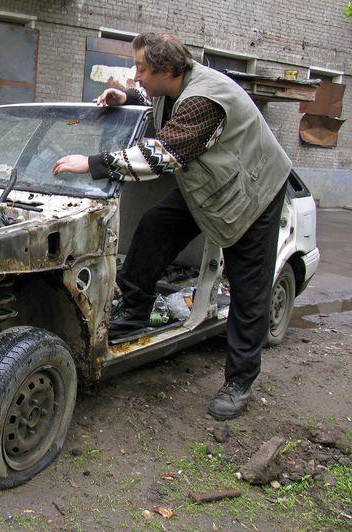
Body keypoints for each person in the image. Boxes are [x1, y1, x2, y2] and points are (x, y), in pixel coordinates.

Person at [52, 33, 291, 420]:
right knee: (154, 227)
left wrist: (93, 164)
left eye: (142, 69)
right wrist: (125, 98)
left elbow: (162, 155)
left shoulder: (204, 100)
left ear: (166, 70)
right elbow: (154, 100)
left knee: (249, 288)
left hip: (252, 188)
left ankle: (239, 382)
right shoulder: (176, 84)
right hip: (211, 183)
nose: (136, 75)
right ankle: (136, 310)